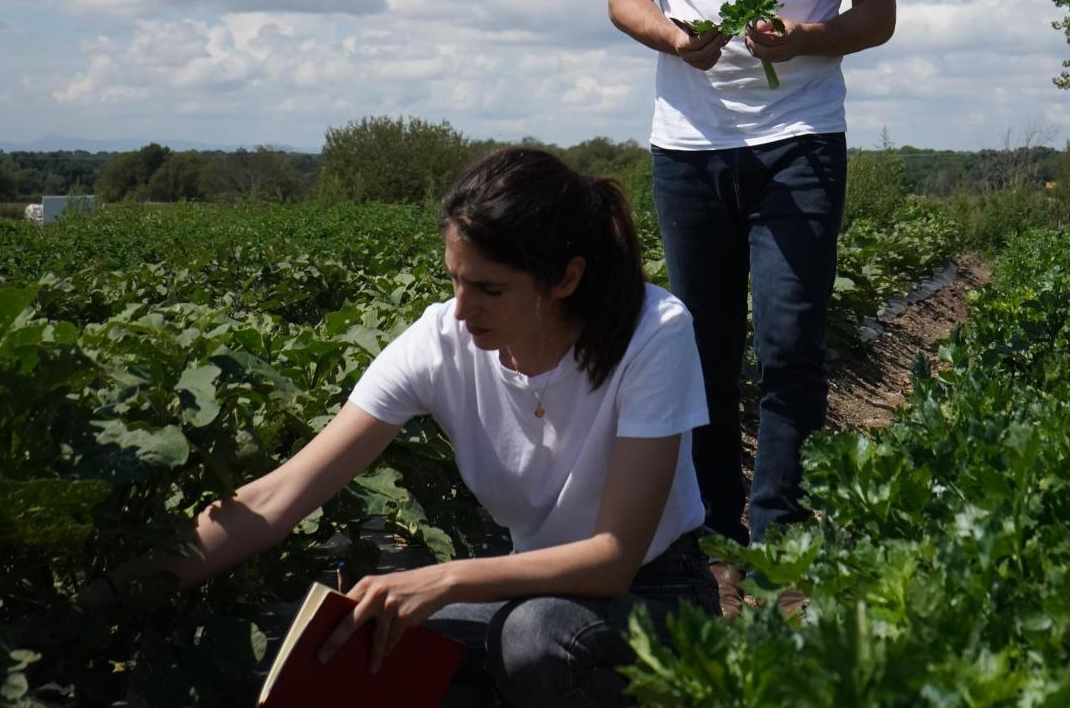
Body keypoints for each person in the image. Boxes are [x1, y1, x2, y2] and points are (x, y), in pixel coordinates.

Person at [84, 146, 717, 707]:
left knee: (534, 642)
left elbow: (612, 559)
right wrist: (99, 599)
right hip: (528, 590)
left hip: (655, 592)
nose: (461, 310)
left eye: (489, 289)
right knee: (345, 643)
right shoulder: (441, 340)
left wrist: (443, 578)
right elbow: (274, 499)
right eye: (454, 281)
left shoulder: (651, 333)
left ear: (565, 278)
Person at [608, 0, 896, 617]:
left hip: (800, 136)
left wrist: (806, 37)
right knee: (697, 345)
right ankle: (707, 536)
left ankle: (779, 540)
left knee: (790, 341)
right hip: (689, 145)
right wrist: (671, 34)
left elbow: (878, 15)